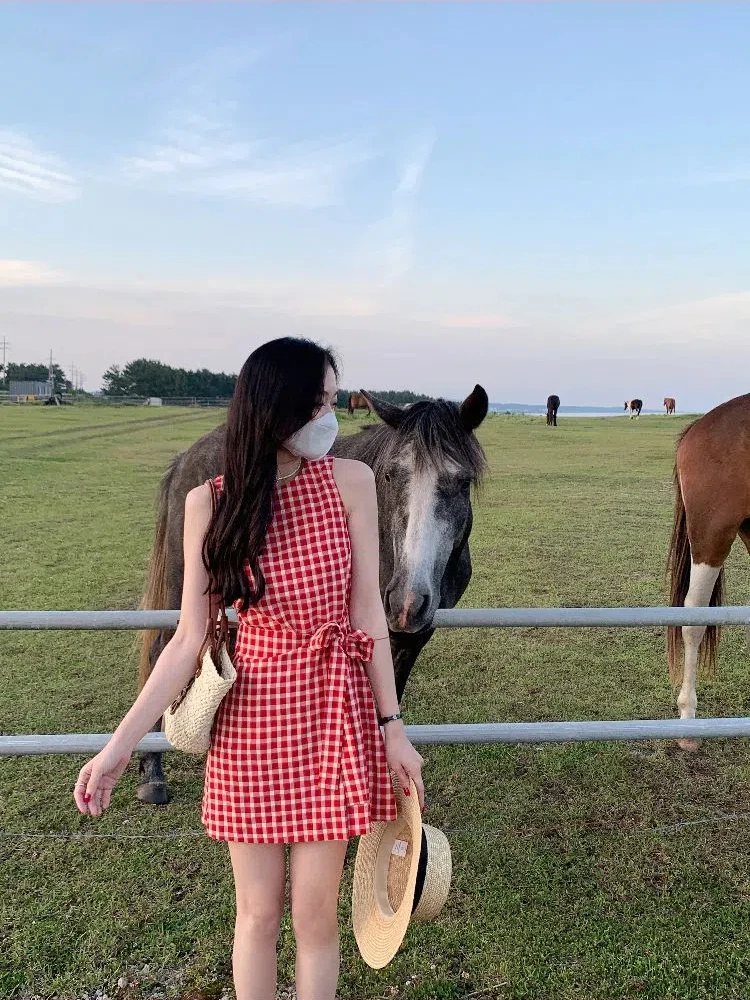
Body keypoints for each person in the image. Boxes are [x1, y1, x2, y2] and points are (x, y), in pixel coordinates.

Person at [73, 336, 425, 1000]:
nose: (331, 417)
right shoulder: (211, 501)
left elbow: (369, 617)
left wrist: (394, 728)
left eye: (332, 399)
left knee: (316, 918)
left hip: (332, 713)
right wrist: (118, 749)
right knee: (258, 915)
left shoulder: (350, 483)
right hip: (250, 723)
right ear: (275, 407)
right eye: (318, 402)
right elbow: (187, 640)